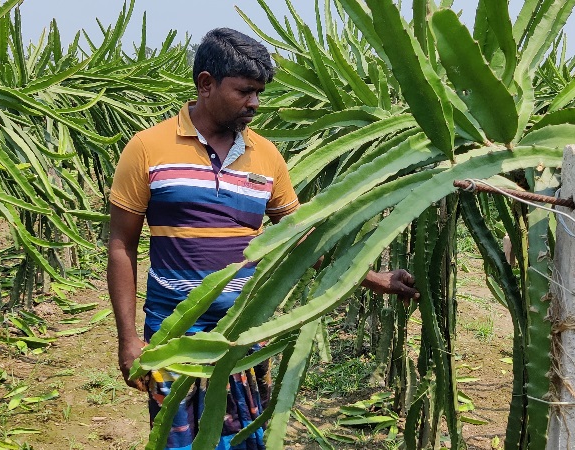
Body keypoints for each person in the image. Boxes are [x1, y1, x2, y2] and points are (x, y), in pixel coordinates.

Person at [107, 28, 419, 449]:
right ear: (205, 83)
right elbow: (121, 245)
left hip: (246, 330)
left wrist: (373, 278)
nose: (255, 103)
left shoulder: (267, 156)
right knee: (176, 440)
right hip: (172, 332)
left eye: (259, 93)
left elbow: (301, 236)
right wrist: (129, 340)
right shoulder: (147, 148)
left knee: (244, 439)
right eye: (245, 92)